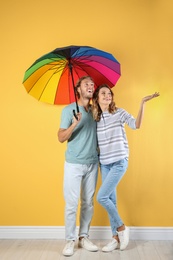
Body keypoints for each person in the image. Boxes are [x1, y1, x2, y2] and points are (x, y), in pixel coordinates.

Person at [92, 84, 160, 252]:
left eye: (109, 93)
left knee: (101, 197)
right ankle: (114, 238)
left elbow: (136, 125)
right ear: (97, 98)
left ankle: (121, 228)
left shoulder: (119, 112)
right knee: (111, 200)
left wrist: (142, 103)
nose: (107, 96)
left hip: (119, 162)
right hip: (105, 163)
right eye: (103, 93)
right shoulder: (96, 119)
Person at [58, 76, 99, 256]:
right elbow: (60, 137)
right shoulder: (69, 110)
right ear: (78, 89)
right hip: (74, 164)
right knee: (72, 204)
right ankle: (69, 240)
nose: (91, 86)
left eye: (92, 84)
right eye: (86, 84)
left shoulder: (96, 110)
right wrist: (75, 123)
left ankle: (83, 237)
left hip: (92, 162)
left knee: (88, 203)